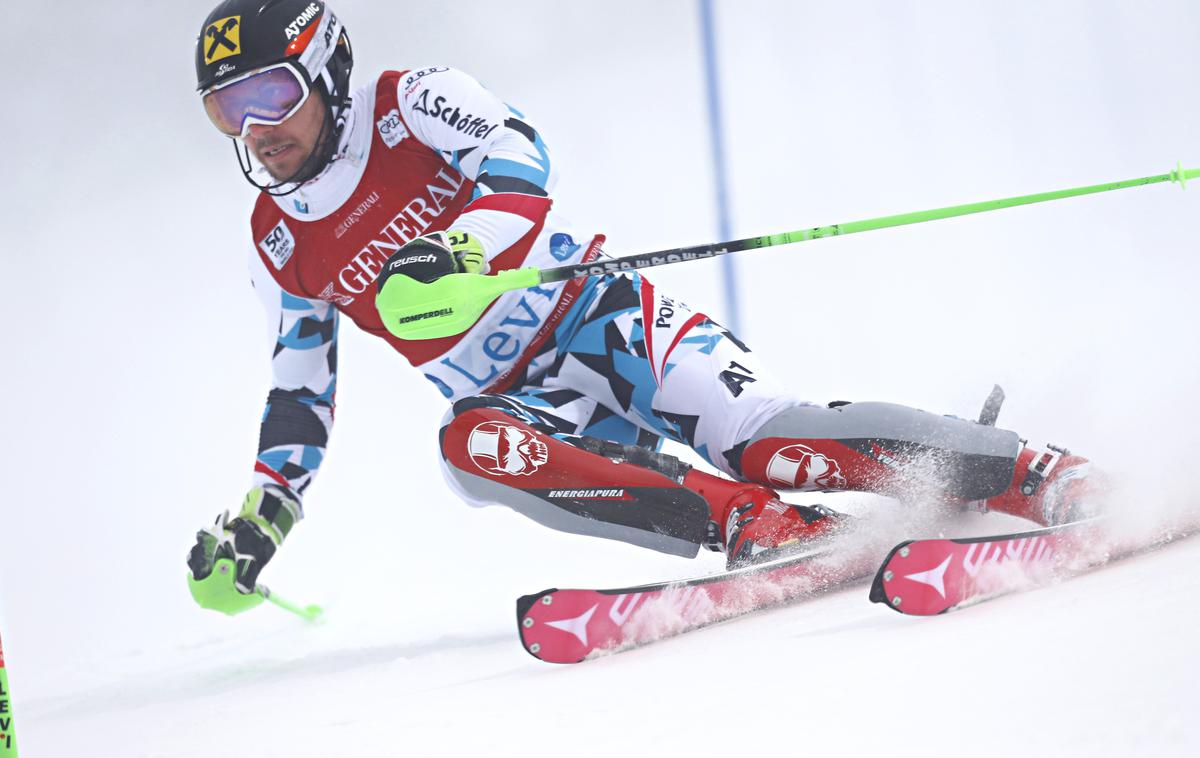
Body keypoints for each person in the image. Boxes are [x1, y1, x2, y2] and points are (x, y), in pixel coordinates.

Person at [187, 0, 1097, 615]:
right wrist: (266, 515)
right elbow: (300, 391)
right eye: (227, 110)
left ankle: (1032, 471)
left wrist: (459, 247)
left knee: (769, 438)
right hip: (529, 402)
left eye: (270, 93)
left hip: (603, 317)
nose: (256, 130)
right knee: (469, 452)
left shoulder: (411, 102)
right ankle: (757, 524)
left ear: (327, 70)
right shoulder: (276, 237)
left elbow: (519, 159)